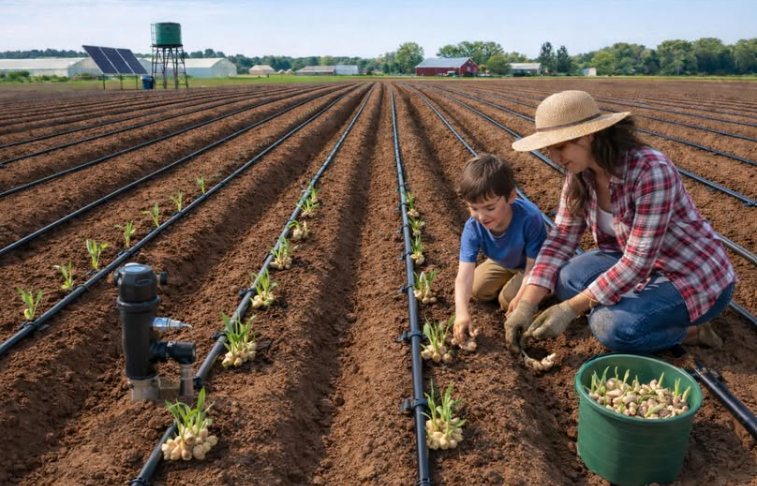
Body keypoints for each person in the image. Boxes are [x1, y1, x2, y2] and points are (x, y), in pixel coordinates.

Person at [504, 90, 736, 355]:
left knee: (610, 326)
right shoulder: (579, 174)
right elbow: (561, 238)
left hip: (691, 274)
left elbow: (638, 262)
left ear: (588, 135)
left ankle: (693, 332)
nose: (554, 158)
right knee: (565, 277)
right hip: (636, 263)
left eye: (560, 147)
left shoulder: (651, 170)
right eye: (550, 149)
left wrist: (570, 309)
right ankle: (636, 304)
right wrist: (527, 303)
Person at [452, 154, 547, 345]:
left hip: (535, 267)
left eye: (489, 208)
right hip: (504, 262)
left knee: (508, 301)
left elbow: (532, 265)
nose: (481, 216)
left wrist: (521, 297)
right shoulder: (473, 227)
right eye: (474, 208)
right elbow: (463, 276)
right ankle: (511, 286)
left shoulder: (529, 218)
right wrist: (461, 313)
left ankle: (548, 291)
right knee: (477, 289)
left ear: (511, 196)